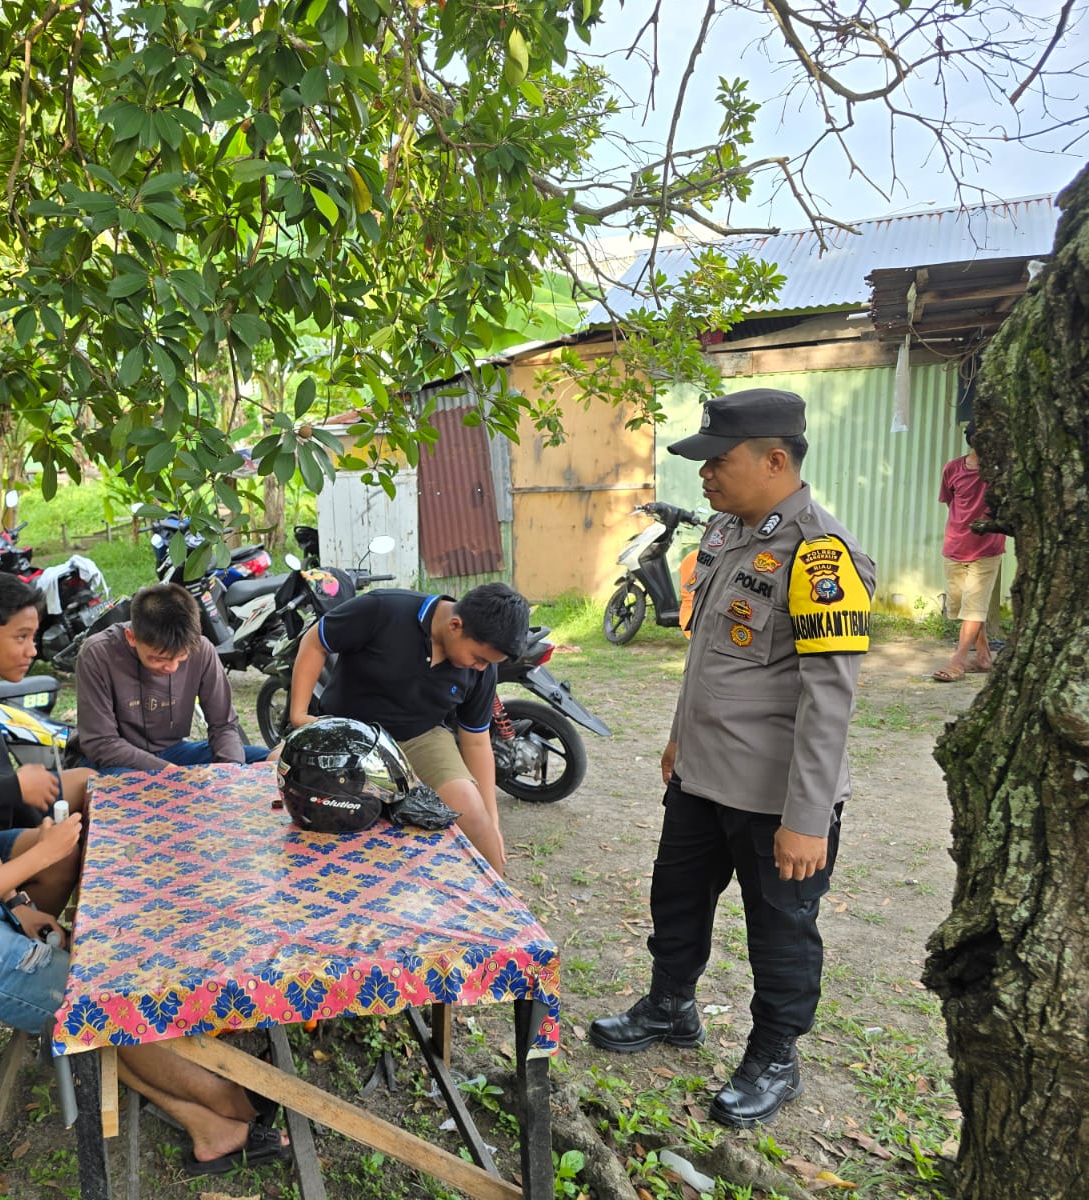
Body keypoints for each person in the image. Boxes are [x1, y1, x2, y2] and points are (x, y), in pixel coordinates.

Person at [0, 600, 289, 1175]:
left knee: (98, 977)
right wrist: (40, 857)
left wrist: (17, 902)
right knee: (97, 1001)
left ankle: (211, 1126)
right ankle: (231, 1102)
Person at [587, 388, 876, 1129]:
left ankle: (776, 1057)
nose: (705, 475)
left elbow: (829, 698)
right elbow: (709, 656)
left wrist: (807, 817)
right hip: (702, 775)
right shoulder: (724, 531)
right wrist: (682, 737)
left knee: (780, 931)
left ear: (775, 460)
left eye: (719, 461)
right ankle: (670, 1005)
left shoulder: (821, 555)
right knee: (675, 900)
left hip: (775, 796)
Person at [286, 581, 529, 875]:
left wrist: (492, 820)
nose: (480, 667)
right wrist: (299, 714)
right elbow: (315, 642)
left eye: (487, 663)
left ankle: (499, 911)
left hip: (421, 737)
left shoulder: (482, 668)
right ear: (455, 625)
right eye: (478, 659)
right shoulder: (382, 609)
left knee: (474, 815)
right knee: (279, 774)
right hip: (349, 732)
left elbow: (476, 742)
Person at [0, 571, 92, 915]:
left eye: (34, 637)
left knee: (88, 781)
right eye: (21, 637)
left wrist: (21, 788)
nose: (33, 650)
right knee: (63, 853)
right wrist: (13, 788)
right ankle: (26, 935)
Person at [74, 583, 269, 772]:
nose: (172, 667)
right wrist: (170, 774)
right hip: (118, 761)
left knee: (264, 761)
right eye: (159, 659)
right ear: (131, 637)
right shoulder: (98, 654)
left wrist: (230, 771)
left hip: (175, 752)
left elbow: (223, 725)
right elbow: (101, 743)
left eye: (181, 657)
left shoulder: (202, 650)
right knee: (130, 791)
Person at [932, 423, 1006, 682]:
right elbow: (951, 503)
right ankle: (984, 657)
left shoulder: (999, 473)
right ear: (973, 442)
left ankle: (958, 662)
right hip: (955, 548)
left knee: (973, 609)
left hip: (988, 549)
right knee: (967, 609)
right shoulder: (952, 469)